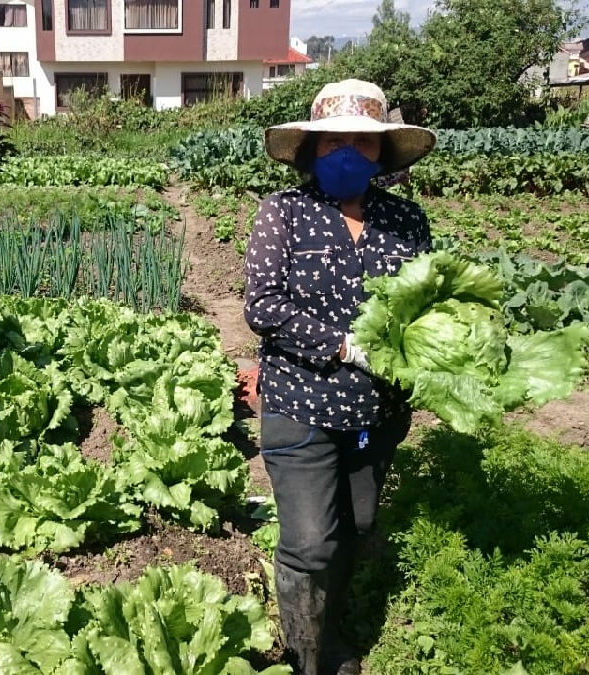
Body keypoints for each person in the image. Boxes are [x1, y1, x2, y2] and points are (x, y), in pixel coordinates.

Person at [243, 79, 437, 675]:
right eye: (334, 142)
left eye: (364, 142)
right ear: (311, 149)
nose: (348, 152)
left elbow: (428, 302)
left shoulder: (406, 220)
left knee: (357, 525)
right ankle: (308, 657)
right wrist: (343, 345)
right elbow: (262, 305)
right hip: (300, 403)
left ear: (383, 154)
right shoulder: (284, 212)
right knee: (310, 543)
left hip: (378, 411)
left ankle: (333, 625)